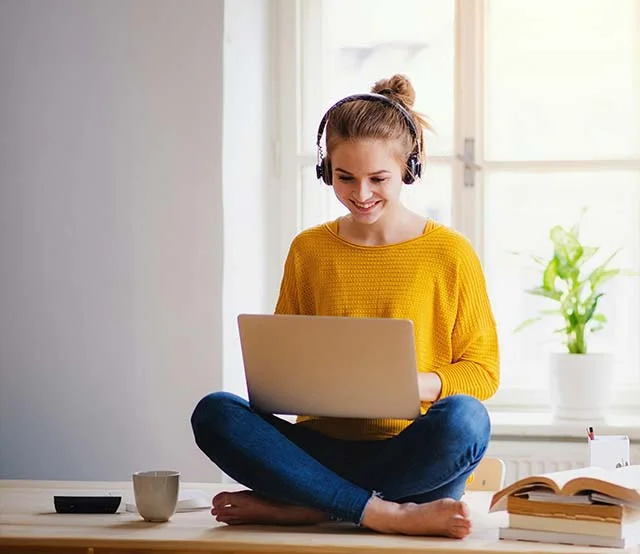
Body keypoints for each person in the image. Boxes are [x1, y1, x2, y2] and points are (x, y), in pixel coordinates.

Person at [191, 74, 500, 539]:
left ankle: (313, 505)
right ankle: (379, 511)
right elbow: (283, 362)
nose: (361, 194)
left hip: (410, 453)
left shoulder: (449, 253)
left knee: (467, 420)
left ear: (408, 169)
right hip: (319, 451)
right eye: (344, 177)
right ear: (325, 170)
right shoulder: (309, 250)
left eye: (379, 179)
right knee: (214, 413)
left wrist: (414, 384)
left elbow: (484, 371)